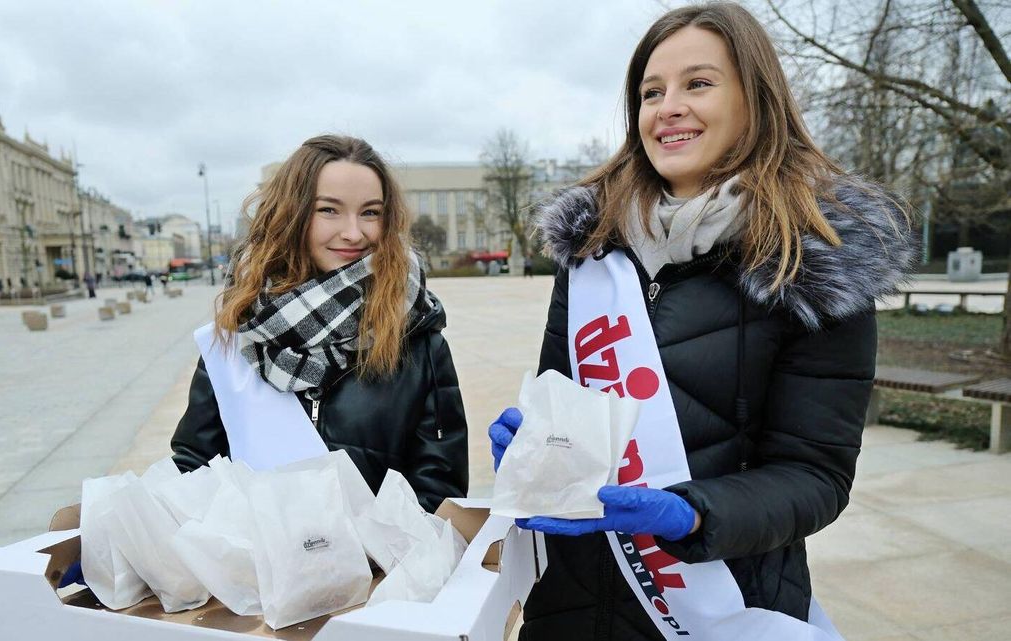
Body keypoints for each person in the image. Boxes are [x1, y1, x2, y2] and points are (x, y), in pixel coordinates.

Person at [488, 4, 918, 640]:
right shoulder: (591, 251)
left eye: (698, 83)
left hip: (719, 603)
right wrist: (537, 446)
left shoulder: (816, 262)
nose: (668, 108)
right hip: (571, 602)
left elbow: (815, 476)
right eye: (651, 92)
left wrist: (690, 515)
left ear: (755, 98)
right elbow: (568, 409)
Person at [171, 134, 469, 512]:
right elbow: (194, 469)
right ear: (292, 214)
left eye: (371, 212)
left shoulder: (417, 336)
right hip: (256, 566)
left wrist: (366, 559)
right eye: (329, 210)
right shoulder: (237, 332)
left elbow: (439, 489)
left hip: (381, 568)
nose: (354, 232)